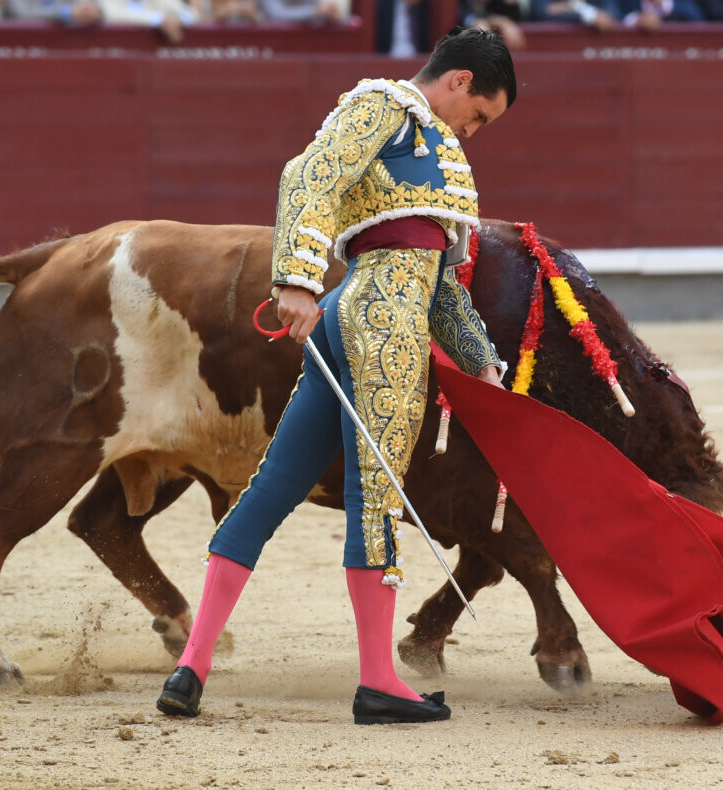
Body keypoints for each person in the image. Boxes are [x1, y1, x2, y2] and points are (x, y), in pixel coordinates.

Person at [156, 26, 516, 726]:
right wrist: (293, 277)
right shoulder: (383, 106)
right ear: (460, 81)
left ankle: (190, 667)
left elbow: (441, 289)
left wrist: (483, 363)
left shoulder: (437, 151)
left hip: (353, 321)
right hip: (378, 326)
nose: (473, 132)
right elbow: (310, 175)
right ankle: (379, 680)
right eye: (478, 116)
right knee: (376, 495)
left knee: (273, 487)